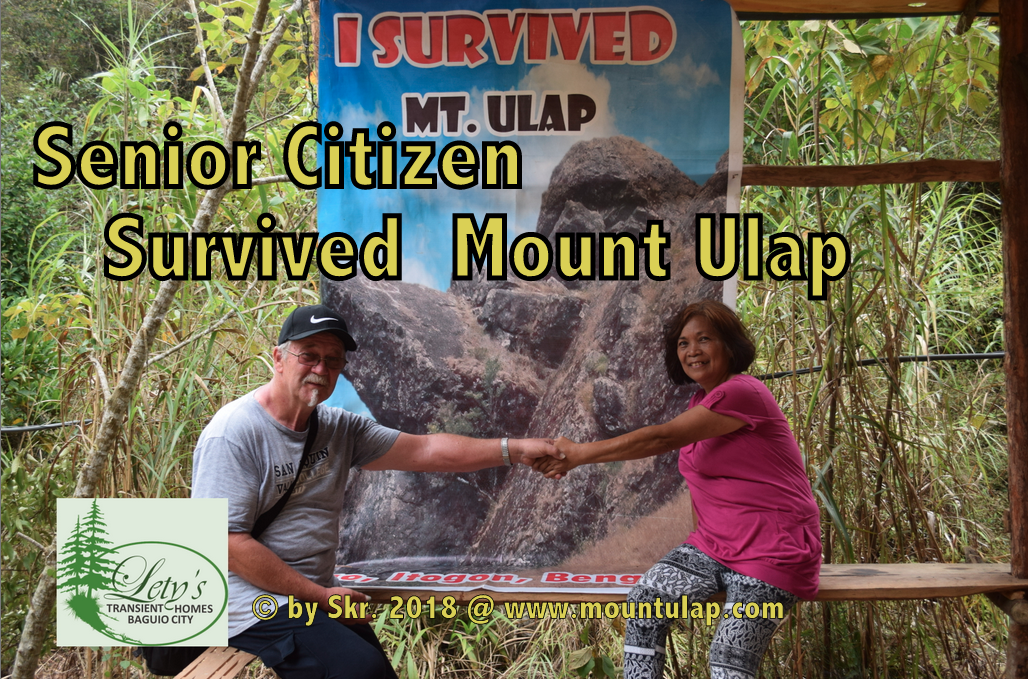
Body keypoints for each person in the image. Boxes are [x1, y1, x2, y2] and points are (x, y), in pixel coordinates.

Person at [192, 304, 561, 679]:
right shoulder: (235, 432)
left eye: (333, 361)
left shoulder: (339, 428)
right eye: (309, 356)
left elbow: (426, 450)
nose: (321, 370)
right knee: (361, 670)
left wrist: (514, 449)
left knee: (375, 671)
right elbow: (227, 543)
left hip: (309, 594)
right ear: (279, 358)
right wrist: (321, 597)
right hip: (249, 601)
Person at [534, 300, 821, 679]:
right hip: (715, 547)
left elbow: (662, 437)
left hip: (773, 551)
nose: (692, 351)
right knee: (644, 606)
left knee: (728, 659)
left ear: (729, 345)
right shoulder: (699, 401)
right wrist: (698, 548)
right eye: (683, 343)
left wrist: (578, 454)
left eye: (705, 339)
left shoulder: (742, 392)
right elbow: (704, 487)